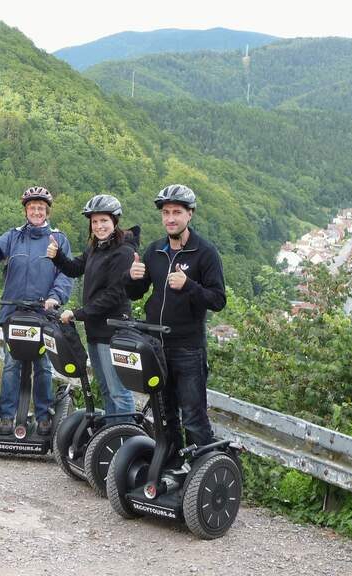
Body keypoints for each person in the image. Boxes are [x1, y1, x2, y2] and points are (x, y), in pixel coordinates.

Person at [124, 184, 226, 449]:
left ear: (189, 214)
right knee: (165, 416)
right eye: (166, 213)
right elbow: (136, 293)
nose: (170, 218)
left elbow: (218, 300)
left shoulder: (205, 252)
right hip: (155, 347)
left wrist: (189, 285)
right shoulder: (155, 250)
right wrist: (131, 277)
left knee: (193, 418)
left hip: (188, 349)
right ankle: (171, 463)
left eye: (177, 212)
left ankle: (201, 469)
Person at [0, 185, 73, 435]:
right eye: (32, 207)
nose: (36, 211)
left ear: (47, 211)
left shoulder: (58, 239)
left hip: (43, 315)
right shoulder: (13, 236)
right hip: (14, 313)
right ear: (26, 210)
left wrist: (55, 297)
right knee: (12, 364)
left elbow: (65, 275)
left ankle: (43, 416)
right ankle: (7, 416)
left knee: (42, 366)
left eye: (41, 208)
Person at [47, 194, 139, 422]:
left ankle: (126, 438)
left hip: (113, 331)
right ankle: (111, 435)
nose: (99, 226)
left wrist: (77, 313)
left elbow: (114, 295)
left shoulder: (124, 252)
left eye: (104, 221)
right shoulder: (96, 247)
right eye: (95, 222)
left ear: (115, 221)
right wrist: (57, 256)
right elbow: (74, 268)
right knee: (106, 390)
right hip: (95, 330)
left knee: (119, 393)